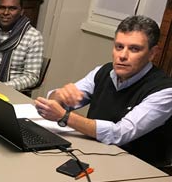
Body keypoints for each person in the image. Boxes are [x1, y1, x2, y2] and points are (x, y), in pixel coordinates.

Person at [35, 15, 172, 168]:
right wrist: (58, 97)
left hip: (140, 168)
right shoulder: (104, 72)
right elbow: (58, 102)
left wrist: (64, 116)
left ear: (152, 53)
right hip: (94, 153)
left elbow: (119, 134)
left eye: (134, 49)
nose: (122, 56)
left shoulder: (164, 91)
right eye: (119, 47)